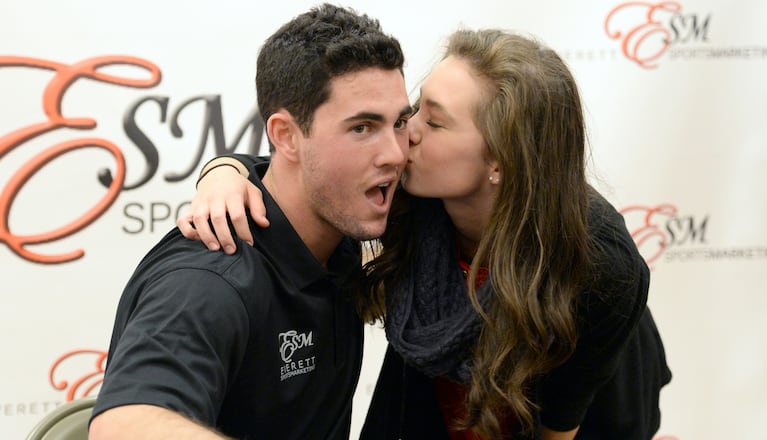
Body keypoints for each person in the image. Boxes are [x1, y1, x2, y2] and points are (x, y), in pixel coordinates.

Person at [179, 30, 672, 439]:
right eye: (415, 108)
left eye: (433, 121)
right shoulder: (407, 190)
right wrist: (224, 171)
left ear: (501, 159)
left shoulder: (599, 265)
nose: (405, 132)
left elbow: (560, 429)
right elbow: (313, 177)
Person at [88, 4, 411, 439]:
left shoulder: (343, 222)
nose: (394, 152)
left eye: (400, 122)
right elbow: (122, 427)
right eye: (362, 128)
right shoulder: (211, 279)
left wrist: (224, 165)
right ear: (285, 136)